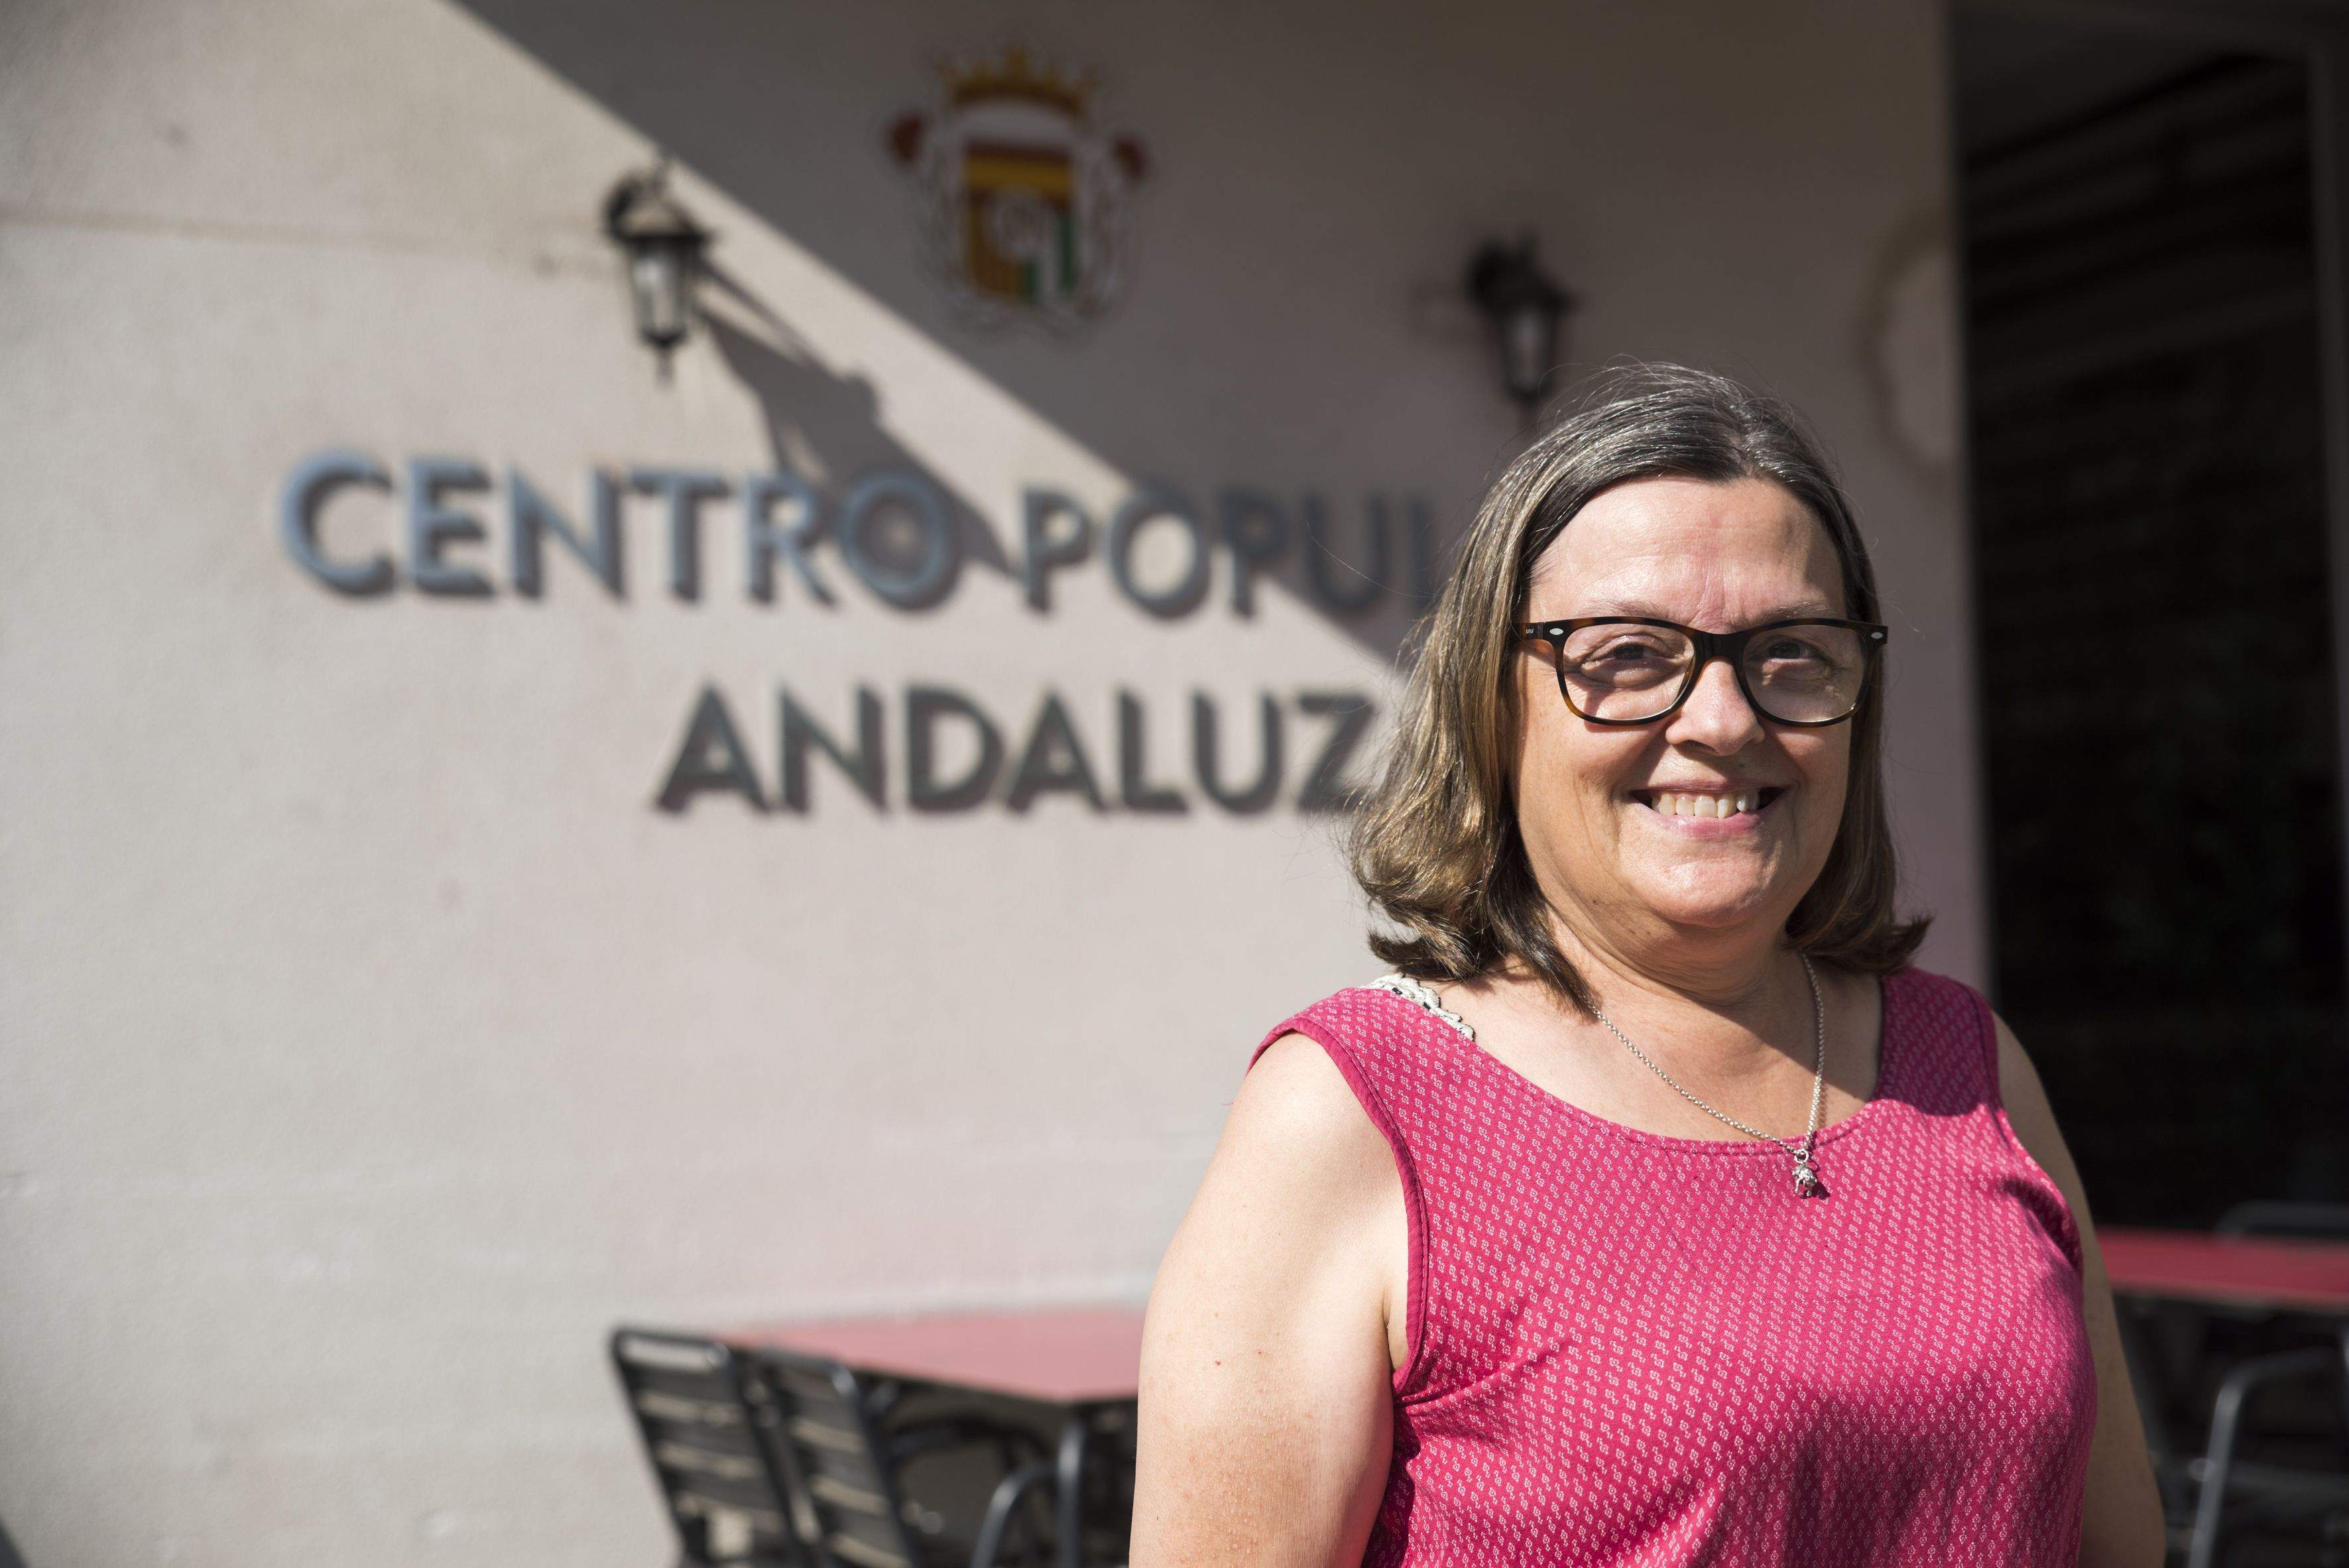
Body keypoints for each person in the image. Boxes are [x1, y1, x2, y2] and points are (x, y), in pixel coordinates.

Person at [1130, 364, 2166, 1566]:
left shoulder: (1971, 1067)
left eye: (1792, 651)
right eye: (1625, 654)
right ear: (1492, 703)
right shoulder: (1355, 1113)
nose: (1722, 717)